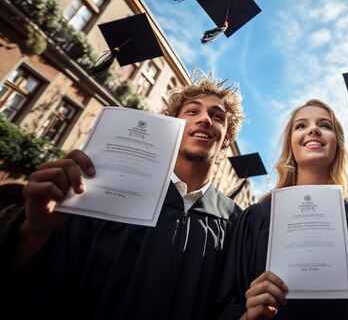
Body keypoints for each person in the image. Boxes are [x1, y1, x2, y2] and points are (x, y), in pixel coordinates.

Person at [0, 73, 245, 320]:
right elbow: (43, 282)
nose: (204, 119)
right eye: (192, 112)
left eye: (217, 116)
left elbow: (225, 304)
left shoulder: (234, 221)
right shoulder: (108, 191)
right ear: (173, 127)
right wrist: (34, 230)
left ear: (226, 138)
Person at [216, 99, 348, 320]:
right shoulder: (257, 218)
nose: (313, 129)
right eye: (301, 126)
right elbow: (225, 303)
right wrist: (246, 316)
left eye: (325, 125)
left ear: (337, 143)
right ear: (290, 144)